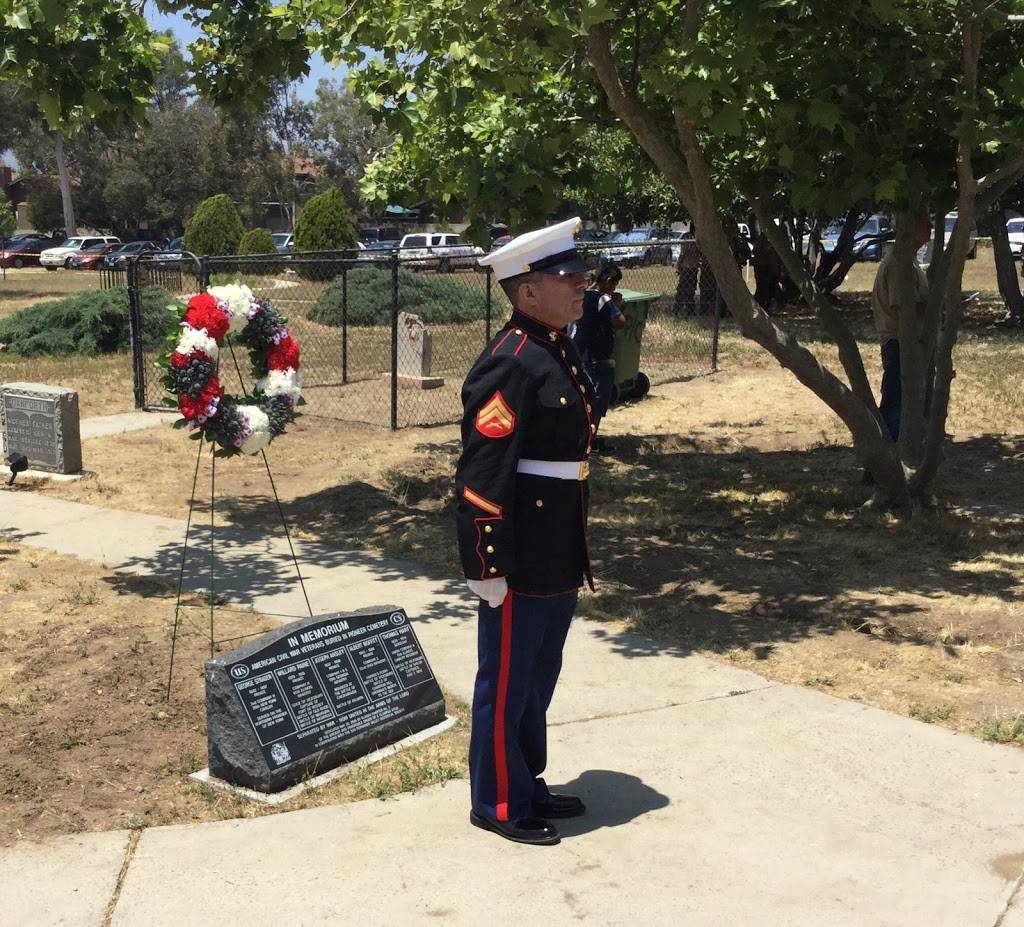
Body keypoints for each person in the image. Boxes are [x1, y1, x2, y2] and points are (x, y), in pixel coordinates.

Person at [456, 216, 596, 847]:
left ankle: (526, 780)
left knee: (538, 675)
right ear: (529, 291)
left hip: (558, 540)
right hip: (521, 550)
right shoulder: (510, 362)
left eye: (580, 276)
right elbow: (483, 474)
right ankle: (497, 800)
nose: (581, 285)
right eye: (568, 278)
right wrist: (486, 564)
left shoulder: (555, 348)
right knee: (507, 679)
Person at [870, 210, 931, 440]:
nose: (931, 227)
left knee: (905, 400)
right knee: (895, 403)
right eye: (926, 222)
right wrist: (934, 306)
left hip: (907, 341)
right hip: (899, 342)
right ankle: (888, 448)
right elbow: (904, 308)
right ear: (911, 226)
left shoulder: (909, 259)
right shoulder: (899, 262)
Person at [572, 260, 626, 445]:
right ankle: (590, 440)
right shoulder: (603, 299)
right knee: (597, 400)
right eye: (615, 284)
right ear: (608, 281)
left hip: (577, 354)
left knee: (582, 398)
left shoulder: (580, 295)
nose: (614, 288)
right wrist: (617, 304)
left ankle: (580, 437)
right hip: (597, 357)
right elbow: (619, 322)